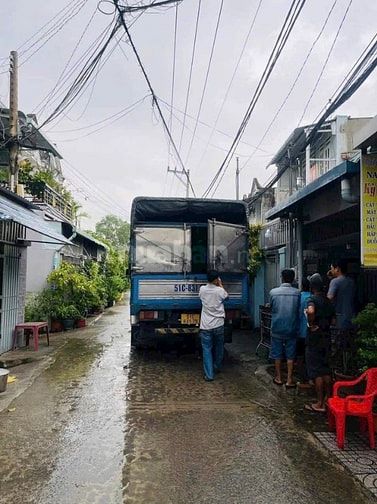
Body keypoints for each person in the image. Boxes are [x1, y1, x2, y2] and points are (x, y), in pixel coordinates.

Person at [305, 275, 336, 413]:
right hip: (327, 336)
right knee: (326, 370)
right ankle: (328, 401)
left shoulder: (312, 299)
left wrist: (311, 323)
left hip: (315, 338)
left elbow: (311, 311)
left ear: (312, 287)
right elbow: (334, 320)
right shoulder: (328, 301)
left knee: (317, 371)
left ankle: (319, 403)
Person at [269, 269, 300, 388]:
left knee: (277, 354)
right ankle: (289, 379)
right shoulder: (297, 293)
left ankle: (278, 377)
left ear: (281, 277)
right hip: (291, 327)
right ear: (293, 279)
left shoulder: (273, 292)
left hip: (277, 327)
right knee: (290, 355)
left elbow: (271, 307)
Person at [199, 270, 228, 382]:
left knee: (207, 349)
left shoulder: (202, 289)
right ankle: (217, 366)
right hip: (218, 324)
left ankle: (209, 375)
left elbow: (201, 297)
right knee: (219, 347)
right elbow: (227, 298)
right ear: (217, 279)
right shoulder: (220, 291)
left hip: (206, 326)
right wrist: (220, 285)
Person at [327, 259, 356, 330]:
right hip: (352, 315)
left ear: (337, 269)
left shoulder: (335, 282)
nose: (331, 271)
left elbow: (329, 297)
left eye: (332, 268)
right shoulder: (351, 281)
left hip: (339, 316)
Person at [296, 278, 311, 380]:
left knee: (300, 355)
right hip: (311, 332)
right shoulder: (312, 297)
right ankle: (310, 376)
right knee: (310, 355)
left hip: (299, 331)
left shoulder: (298, 297)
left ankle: (301, 376)